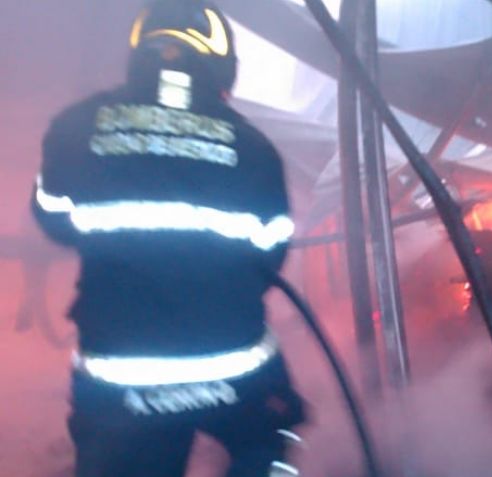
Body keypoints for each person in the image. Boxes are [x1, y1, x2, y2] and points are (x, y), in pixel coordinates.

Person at [30, 1, 306, 475]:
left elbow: (54, 218)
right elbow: (269, 256)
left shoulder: (76, 127)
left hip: (119, 376)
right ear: (224, 66)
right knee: (273, 432)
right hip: (232, 370)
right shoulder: (254, 148)